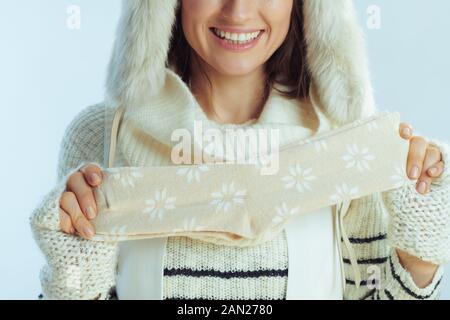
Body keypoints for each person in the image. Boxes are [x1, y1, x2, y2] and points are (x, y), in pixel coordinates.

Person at [31, 0, 450, 300]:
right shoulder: (100, 138)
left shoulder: (347, 144)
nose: (239, 11)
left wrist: (421, 259)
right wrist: (75, 274)